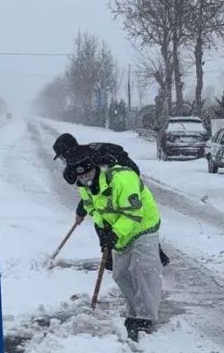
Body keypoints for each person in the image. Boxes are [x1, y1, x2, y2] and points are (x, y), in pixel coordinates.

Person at [66, 146, 164, 341]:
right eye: (81, 178)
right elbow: (92, 208)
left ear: (95, 169)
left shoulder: (122, 179)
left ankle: (146, 318)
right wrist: (103, 229)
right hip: (120, 230)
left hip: (143, 226)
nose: (85, 180)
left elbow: (134, 213)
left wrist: (114, 233)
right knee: (121, 273)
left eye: (88, 175)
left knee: (142, 270)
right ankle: (134, 312)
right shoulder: (84, 186)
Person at [52, 132, 169, 267]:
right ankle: (113, 255)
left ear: (68, 150)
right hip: (120, 179)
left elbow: (96, 189)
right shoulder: (83, 154)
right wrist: (81, 211)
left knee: (126, 220)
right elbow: (92, 192)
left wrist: (81, 211)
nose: (63, 160)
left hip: (125, 180)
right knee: (105, 222)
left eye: (62, 156)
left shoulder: (87, 157)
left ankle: (110, 258)